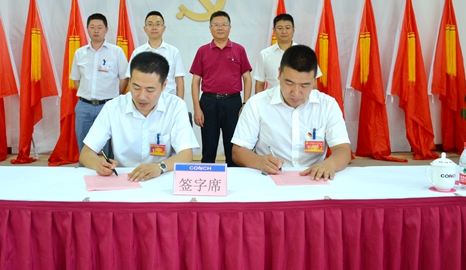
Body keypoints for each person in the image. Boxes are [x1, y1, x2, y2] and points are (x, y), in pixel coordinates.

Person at [232, 44, 351, 180]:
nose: (296, 93)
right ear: (279, 73)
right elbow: (238, 151)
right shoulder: (256, 104)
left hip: (313, 178)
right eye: (289, 83)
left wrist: (330, 164)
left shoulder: (327, 105)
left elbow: (343, 149)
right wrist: (260, 162)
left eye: (304, 85)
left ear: (314, 80)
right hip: (270, 178)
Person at [80, 51, 199, 181]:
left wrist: (159, 167)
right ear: (130, 81)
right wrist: (98, 163)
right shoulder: (113, 108)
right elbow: (86, 153)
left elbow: (186, 155)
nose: (142, 96)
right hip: (124, 179)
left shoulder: (176, 107)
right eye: (136, 87)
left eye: (150, 90)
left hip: (162, 178)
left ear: (164, 85)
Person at [190, 11, 252, 167]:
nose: (220, 28)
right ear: (210, 28)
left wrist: (245, 104)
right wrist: (197, 107)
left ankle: (234, 178)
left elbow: (247, 78)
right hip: (209, 102)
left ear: (230, 27)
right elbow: (195, 81)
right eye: (216, 25)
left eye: (224, 24)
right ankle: (206, 179)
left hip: (233, 102)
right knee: (209, 146)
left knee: (233, 148)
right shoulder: (202, 51)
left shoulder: (239, 49)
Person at [70, 13, 128, 157]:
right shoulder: (79, 53)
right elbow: (76, 79)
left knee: (107, 147)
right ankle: (84, 168)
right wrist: (87, 94)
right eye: (92, 27)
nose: (96, 30)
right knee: (83, 145)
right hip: (84, 106)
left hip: (107, 106)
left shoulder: (116, 52)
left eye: (100, 27)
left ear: (106, 30)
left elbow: (125, 78)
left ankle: (107, 169)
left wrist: (115, 96)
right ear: (87, 29)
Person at [254, 13, 321, 94]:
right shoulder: (264, 54)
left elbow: (313, 80)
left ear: (293, 29)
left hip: (299, 98)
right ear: (274, 30)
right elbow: (260, 83)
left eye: (288, 28)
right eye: (280, 28)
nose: (284, 31)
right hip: (273, 100)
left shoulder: (304, 53)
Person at [126, 11, 186, 98]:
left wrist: (180, 103)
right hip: (144, 99)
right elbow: (131, 80)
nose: (154, 28)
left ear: (164, 28)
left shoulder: (174, 51)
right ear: (145, 28)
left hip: (168, 99)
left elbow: (179, 81)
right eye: (150, 24)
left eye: (158, 24)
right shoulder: (137, 52)